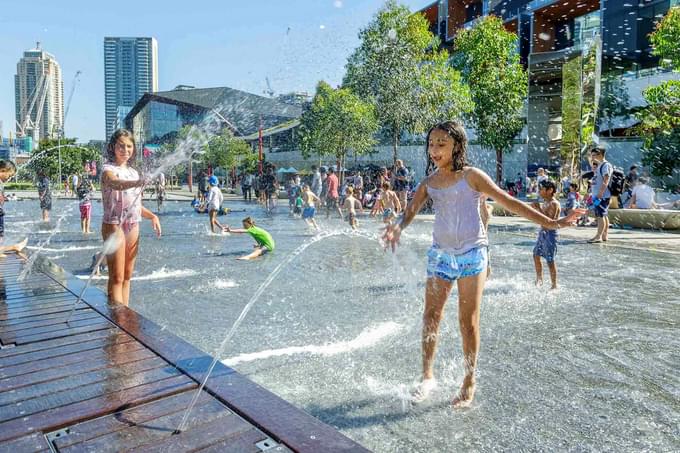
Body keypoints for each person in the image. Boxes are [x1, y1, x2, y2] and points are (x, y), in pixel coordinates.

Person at [382, 121, 582, 408]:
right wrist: (398, 228)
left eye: (442, 144)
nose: (434, 150)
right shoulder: (428, 183)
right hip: (440, 256)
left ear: (457, 146)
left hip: (472, 255)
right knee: (431, 316)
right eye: (431, 144)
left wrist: (550, 222)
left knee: (468, 322)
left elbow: (509, 201)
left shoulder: (472, 177)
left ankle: (469, 380)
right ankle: (427, 375)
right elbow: (409, 213)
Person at [101, 129, 162, 306]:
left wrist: (152, 216)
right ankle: (116, 319)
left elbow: (135, 204)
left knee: (127, 275)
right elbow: (115, 184)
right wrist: (138, 182)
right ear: (113, 147)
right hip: (114, 225)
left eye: (129, 146)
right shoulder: (108, 169)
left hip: (133, 225)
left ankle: (125, 313)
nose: (125, 150)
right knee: (117, 276)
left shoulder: (134, 172)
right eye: (121, 146)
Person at [531, 180, 561, 289]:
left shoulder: (554, 203)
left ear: (550, 190)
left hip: (550, 234)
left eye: (542, 189)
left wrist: (538, 208)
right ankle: (539, 280)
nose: (540, 191)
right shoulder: (545, 202)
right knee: (536, 255)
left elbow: (550, 221)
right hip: (542, 233)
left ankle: (554, 285)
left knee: (550, 260)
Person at [588, 145, 612, 243]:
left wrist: (600, 193)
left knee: (600, 215)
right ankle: (604, 235)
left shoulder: (605, 165)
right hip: (598, 195)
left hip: (601, 196)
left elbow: (606, 180)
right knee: (603, 215)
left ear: (600, 154)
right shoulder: (599, 165)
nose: (592, 157)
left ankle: (598, 236)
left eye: (594, 155)